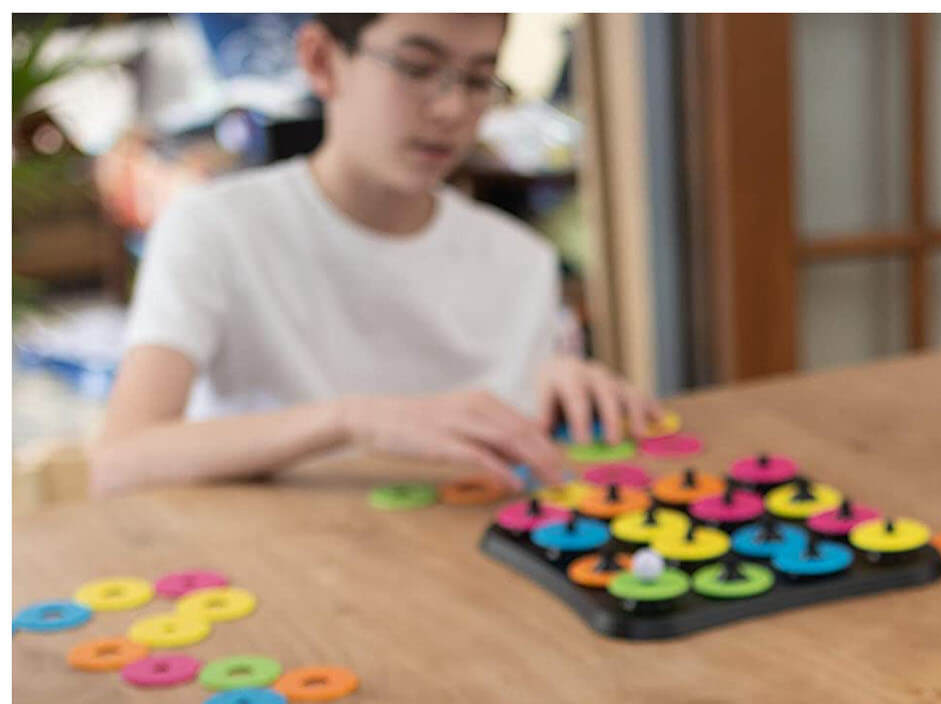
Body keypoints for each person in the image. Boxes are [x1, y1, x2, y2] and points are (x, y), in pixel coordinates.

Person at [90, 13, 657, 499]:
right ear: (321, 60)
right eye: (417, 67)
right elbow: (120, 462)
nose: (452, 107)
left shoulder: (523, 260)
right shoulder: (214, 228)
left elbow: (519, 450)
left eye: (479, 79)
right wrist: (353, 419)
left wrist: (560, 395)